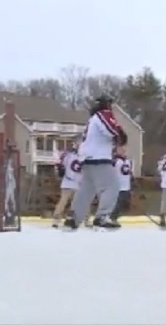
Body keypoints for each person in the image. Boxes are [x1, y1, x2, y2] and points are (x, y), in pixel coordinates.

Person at [63, 95, 128, 231]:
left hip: (87, 157)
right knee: (112, 186)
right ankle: (102, 217)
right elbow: (110, 130)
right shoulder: (103, 114)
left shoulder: (92, 119)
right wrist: (120, 135)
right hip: (98, 156)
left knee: (86, 189)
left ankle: (73, 219)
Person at [52, 141, 82, 228]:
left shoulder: (84, 157)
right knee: (63, 202)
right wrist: (60, 168)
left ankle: (76, 219)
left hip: (79, 184)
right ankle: (56, 220)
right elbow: (60, 166)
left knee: (79, 203)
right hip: (68, 183)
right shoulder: (68, 156)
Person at [111, 146, 133, 222]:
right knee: (117, 203)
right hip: (117, 186)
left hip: (126, 186)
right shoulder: (114, 161)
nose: (123, 151)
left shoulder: (127, 161)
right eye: (121, 149)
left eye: (124, 149)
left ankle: (115, 217)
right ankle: (112, 218)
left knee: (122, 203)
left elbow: (129, 173)